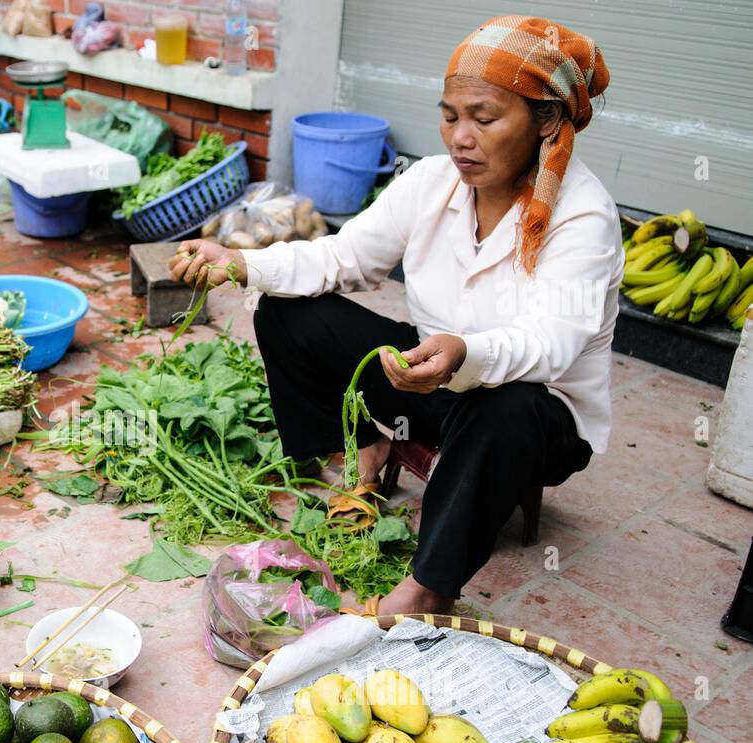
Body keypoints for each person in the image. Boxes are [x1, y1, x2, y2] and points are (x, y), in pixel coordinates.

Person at [168, 15, 619, 615]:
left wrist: (465, 351)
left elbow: (551, 344)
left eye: (484, 118)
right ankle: (363, 452)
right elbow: (343, 256)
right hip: (433, 375)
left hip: (534, 417)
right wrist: (242, 262)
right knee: (286, 312)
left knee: (507, 404)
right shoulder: (432, 182)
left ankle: (428, 587)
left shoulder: (583, 216)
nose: (460, 137)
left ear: (548, 122)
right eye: (450, 115)